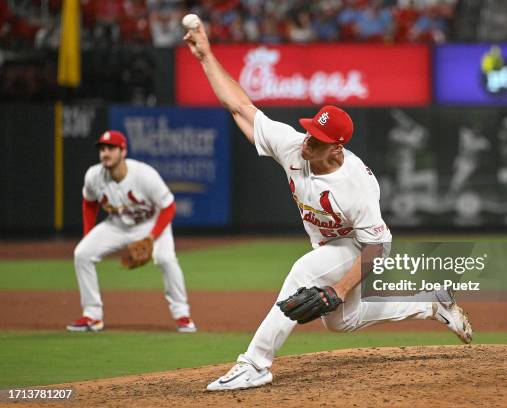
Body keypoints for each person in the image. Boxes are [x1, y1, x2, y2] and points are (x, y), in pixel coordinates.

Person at [182, 18, 472, 391]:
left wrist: (337, 289)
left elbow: (378, 247)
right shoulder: (293, 144)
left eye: (317, 139)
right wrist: (206, 55)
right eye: (309, 131)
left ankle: (255, 363)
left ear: (336, 147)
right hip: (329, 243)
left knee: (303, 274)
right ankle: (433, 303)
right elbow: (239, 106)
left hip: (356, 246)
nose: (307, 141)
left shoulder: (356, 185)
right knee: (340, 322)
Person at [66, 130, 197, 333]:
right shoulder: (93, 175)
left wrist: (151, 237)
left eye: (111, 148)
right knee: (82, 253)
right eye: (102, 149)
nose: (105, 153)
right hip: (116, 225)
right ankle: (92, 315)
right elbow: (89, 203)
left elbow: (169, 207)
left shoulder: (144, 175)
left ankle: (182, 315)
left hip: (149, 224)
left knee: (166, 259)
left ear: (123, 151)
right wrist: (88, 235)